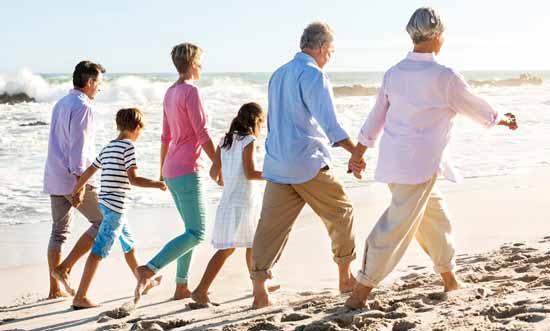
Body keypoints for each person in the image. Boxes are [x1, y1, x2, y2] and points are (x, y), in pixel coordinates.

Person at [345, 7, 518, 309]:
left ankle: (450, 280)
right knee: (395, 228)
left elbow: (376, 119)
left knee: (436, 220)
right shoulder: (445, 77)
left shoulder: (394, 73)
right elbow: (479, 110)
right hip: (418, 167)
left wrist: (358, 154)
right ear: (438, 36)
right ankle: (359, 293)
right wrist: (504, 119)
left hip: (395, 164)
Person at [250, 22, 363, 309]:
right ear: (323, 47)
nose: (330, 56)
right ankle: (345, 276)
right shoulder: (314, 74)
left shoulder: (278, 74)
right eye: (332, 51)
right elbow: (330, 124)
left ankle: (260, 293)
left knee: (270, 227)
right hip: (307, 163)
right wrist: (355, 152)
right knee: (341, 212)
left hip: (277, 164)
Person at [134, 43, 218, 302]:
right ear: (193, 64)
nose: (202, 67)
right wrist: (219, 163)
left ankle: (181, 286)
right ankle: (149, 268)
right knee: (197, 233)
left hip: (171, 169)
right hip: (187, 170)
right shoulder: (191, 92)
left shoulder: (170, 92)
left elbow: (165, 136)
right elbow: (202, 133)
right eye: (201, 62)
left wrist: (161, 172)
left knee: (188, 231)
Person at [70, 108, 166, 309]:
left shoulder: (108, 147)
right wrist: (157, 184)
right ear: (137, 127)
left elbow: (89, 170)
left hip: (105, 204)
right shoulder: (128, 147)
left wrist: (77, 188)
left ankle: (144, 281)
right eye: (141, 130)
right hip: (116, 209)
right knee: (98, 251)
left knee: (128, 245)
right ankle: (80, 296)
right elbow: (134, 179)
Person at [191, 102, 279, 305]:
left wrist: (226, 180)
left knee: (250, 246)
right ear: (256, 121)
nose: (262, 127)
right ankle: (200, 290)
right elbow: (250, 173)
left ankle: (259, 285)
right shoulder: (249, 140)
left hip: (230, 200)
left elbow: (214, 173)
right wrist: (274, 175)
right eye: (262, 123)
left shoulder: (225, 140)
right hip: (244, 202)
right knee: (232, 249)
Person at [44, 61, 105, 298]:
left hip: (55, 177)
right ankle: (64, 268)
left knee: (58, 232)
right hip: (74, 179)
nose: (100, 88)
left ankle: (54, 289)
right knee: (103, 223)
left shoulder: (61, 103)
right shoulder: (84, 107)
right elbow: (78, 149)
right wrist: (80, 184)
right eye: (99, 83)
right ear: (89, 82)